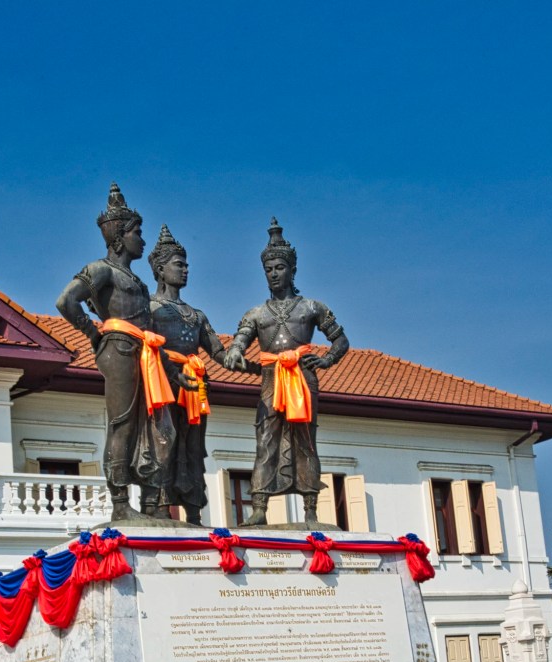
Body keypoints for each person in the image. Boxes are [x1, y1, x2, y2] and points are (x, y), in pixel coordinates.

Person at [56, 183, 195, 521]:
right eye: (136, 232)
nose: (141, 240)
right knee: (123, 424)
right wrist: (94, 333)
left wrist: (174, 372)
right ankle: (120, 502)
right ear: (119, 237)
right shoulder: (100, 269)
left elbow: (150, 332)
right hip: (118, 349)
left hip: (146, 354)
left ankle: (151, 502)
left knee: (160, 428)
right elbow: (66, 301)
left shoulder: (138, 281)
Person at [224, 218, 351, 526]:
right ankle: (260, 508)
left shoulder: (311, 307)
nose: (273, 274)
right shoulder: (256, 313)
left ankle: (310, 509)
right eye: (268, 269)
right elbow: (240, 339)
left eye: (279, 268)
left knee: (306, 440)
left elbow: (341, 340)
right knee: (265, 439)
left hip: (303, 380)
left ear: (292, 269)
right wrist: (236, 352)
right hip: (270, 382)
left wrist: (325, 361)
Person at [148, 225, 228, 524]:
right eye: (178, 264)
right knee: (163, 440)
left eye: (186, 264)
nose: (185, 270)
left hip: (194, 385)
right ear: (160, 268)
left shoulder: (197, 314)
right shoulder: (149, 308)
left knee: (192, 446)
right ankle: (158, 504)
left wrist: (249, 362)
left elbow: (218, 351)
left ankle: (193, 507)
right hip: (162, 382)